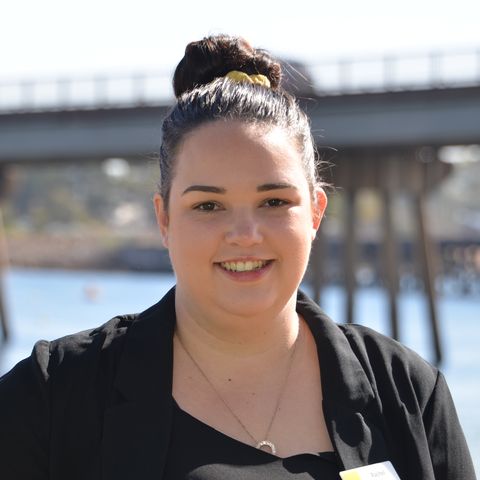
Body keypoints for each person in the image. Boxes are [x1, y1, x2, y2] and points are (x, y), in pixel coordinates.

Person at [0, 35, 476, 480]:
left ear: (315, 211)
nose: (245, 235)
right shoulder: (54, 396)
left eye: (274, 201)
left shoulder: (408, 393)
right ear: (164, 219)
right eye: (208, 206)